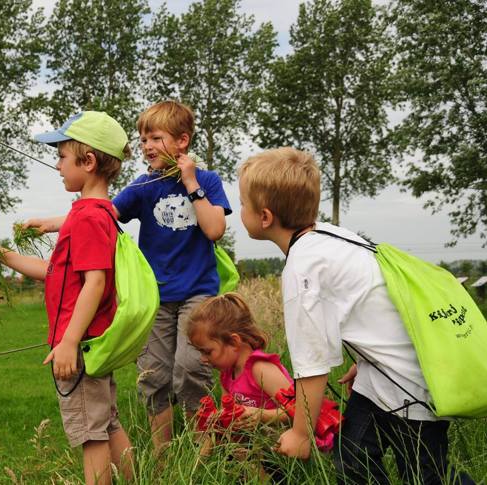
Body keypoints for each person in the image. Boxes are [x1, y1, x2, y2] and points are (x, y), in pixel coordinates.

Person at [237, 147, 475, 484]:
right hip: (380, 380)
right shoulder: (334, 237)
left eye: (243, 204)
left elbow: (313, 364)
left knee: (427, 477)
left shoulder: (303, 266)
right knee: (353, 466)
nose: (239, 211)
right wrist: (367, 356)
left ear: (264, 216)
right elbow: (375, 302)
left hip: (411, 389)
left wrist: (301, 434)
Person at [26, 100, 232, 451]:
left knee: (190, 370)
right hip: (157, 297)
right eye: (142, 139)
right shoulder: (143, 187)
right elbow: (99, 213)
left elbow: (214, 230)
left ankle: (204, 451)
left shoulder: (206, 181)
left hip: (198, 294)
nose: (146, 146)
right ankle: (163, 456)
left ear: (182, 141)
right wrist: (50, 224)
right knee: (154, 376)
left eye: (155, 138)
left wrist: (191, 183)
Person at [0, 111, 134, 485]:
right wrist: (3, 255)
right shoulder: (96, 214)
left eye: (62, 157)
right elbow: (55, 272)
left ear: (89, 161)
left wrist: (68, 341)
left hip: (80, 343)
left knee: (90, 433)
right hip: (92, 341)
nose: (58, 166)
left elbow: (95, 283)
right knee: (107, 422)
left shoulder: (87, 218)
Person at [186, 292, 291, 428]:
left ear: (234, 342)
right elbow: (230, 412)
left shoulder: (260, 368)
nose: (203, 359)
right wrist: (219, 418)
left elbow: (299, 412)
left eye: (207, 352)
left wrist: (261, 415)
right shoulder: (227, 374)